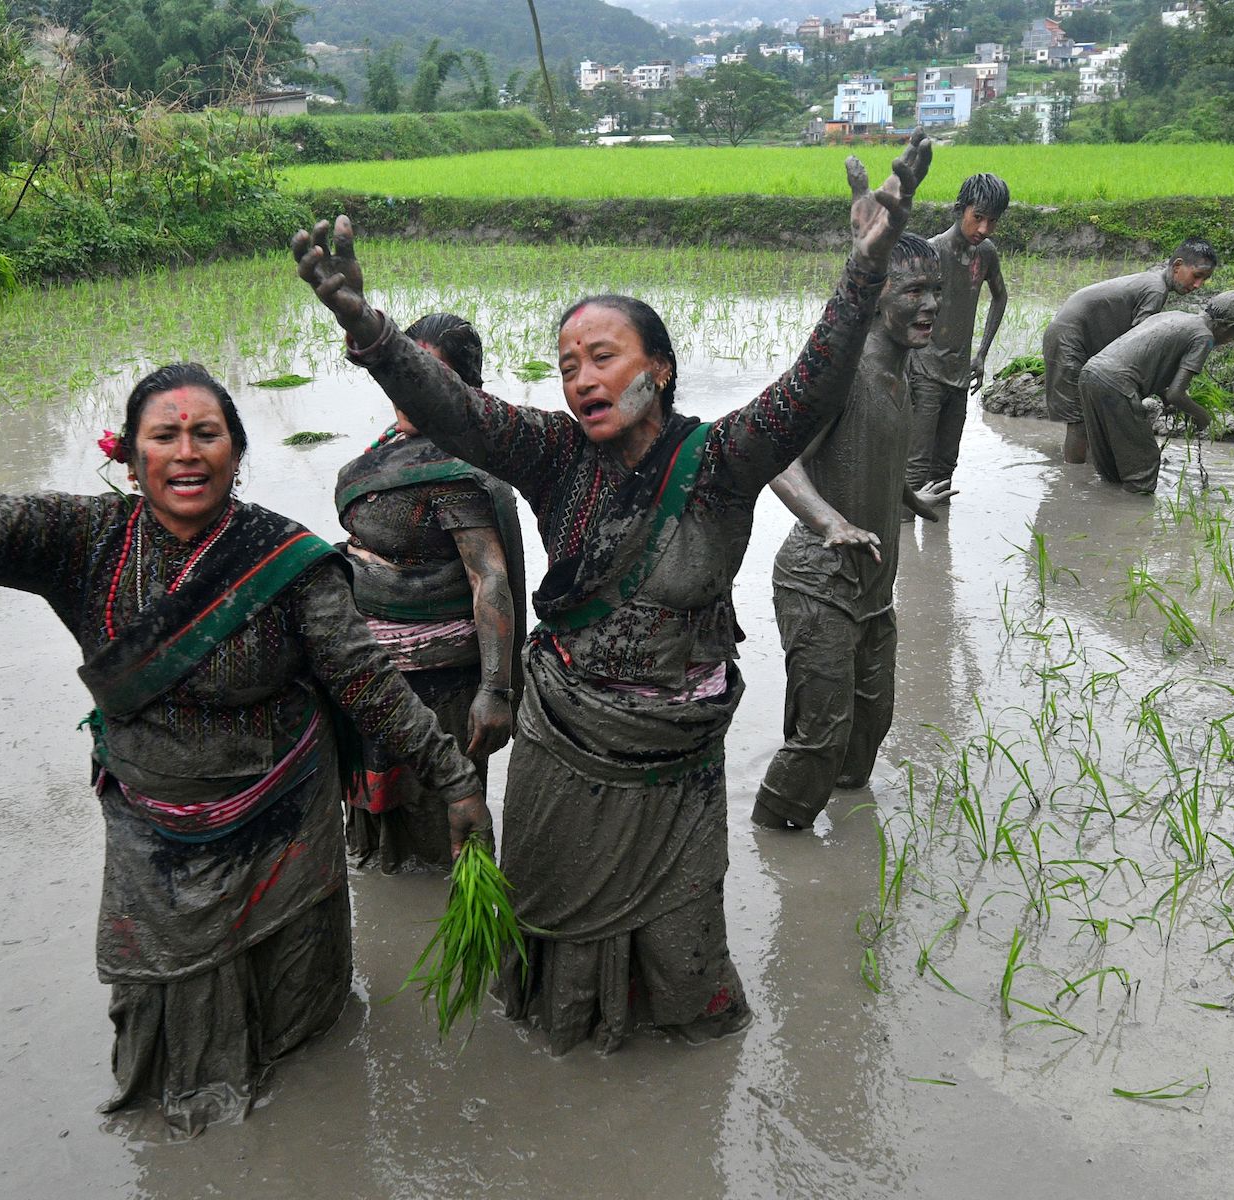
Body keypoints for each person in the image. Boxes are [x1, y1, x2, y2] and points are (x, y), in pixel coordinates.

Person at [293, 131, 933, 1055]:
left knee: (680, 941)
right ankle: (564, 1046)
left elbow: (808, 387)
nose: (581, 379)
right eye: (566, 366)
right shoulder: (554, 455)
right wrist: (370, 330)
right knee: (551, 924)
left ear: (659, 369)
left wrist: (863, 271)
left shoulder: (720, 459)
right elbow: (457, 412)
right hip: (564, 738)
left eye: (602, 357)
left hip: (674, 756)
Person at [0, 363, 491, 1134]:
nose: (187, 452)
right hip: (156, 827)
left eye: (206, 434)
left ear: (236, 452)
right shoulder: (83, 538)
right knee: (167, 1003)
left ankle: (311, 1120)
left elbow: (366, 680)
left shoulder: (286, 560)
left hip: (284, 813)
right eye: (165, 436)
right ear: (131, 454)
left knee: (303, 1017)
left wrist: (455, 780)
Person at [754, 234, 953, 830]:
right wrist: (830, 521)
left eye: (936, 291)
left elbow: (869, 454)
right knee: (821, 734)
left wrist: (907, 495)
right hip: (818, 582)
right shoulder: (838, 376)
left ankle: (844, 839)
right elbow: (777, 462)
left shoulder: (906, 371)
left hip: (872, 588)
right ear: (872, 298)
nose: (931, 305)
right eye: (914, 290)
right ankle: (776, 840)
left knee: (868, 729)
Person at [336, 313, 527, 873]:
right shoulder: (377, 459)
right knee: (376, 832)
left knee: (440, 815)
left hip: (443, 683)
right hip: (369, 674)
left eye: (429, 380)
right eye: (402, 378)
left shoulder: (461, 471)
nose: (411, 395)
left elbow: (489, 577)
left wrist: (496, 690)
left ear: (463, 390)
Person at [1043, 237, 1218, 466]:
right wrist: (1164, 389)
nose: (1198, 285)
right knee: (1080, 419)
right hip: (1070, 338)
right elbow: (1139, 344)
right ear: (1177, 266)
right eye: (1196, 276)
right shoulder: (1156, 291)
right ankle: (1073, 481)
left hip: (1075, 335)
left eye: (1204, 280)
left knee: (1090, 413)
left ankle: (1089, 468)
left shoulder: (1152, 282)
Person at [1080, 291, 1234, 494]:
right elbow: (1176, 394)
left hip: (1090, 373)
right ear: (1230, 328)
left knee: (1110, 462)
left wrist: (1163, 396)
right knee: (1144, 464)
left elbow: (1150, 362)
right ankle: (1133, 519)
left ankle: (1106, 507)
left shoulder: (1174, 315)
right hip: (1117, 384)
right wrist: (1201, 416)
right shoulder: (1204, 338)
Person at [904, 173, 1009, 498]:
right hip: (925, 370)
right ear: (959, 209)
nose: (983, 229)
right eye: (977, 218)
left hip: (960, 374)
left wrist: (981, 354)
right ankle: (904, 535)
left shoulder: (986, 254)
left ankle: (938, 543)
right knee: (916, 465)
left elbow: (1000, 296)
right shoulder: (931, 253)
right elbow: (899, 306)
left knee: (946, 465)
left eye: (992, 221)